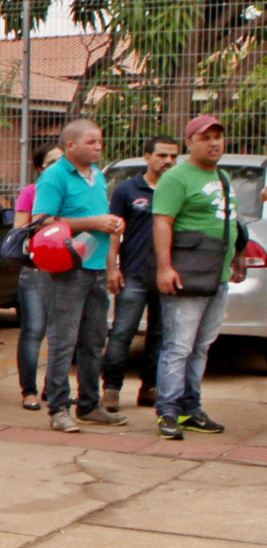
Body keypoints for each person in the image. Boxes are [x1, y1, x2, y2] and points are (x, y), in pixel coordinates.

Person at [150, 113, 247, 440]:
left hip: (215, 276)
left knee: (201, 346)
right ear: (189, 143)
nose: (214, 142)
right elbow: (162, 222)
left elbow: (230, 221)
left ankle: (192, 408)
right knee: (178, 346)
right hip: (186, 275)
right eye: (205, 137)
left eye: (217, 136)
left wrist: (237, 257)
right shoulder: (176, 178)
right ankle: (168, 411)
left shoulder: (222, 177)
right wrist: (165, 267)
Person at [32, 118, 125, 432]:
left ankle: (89, 404)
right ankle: (58, 407)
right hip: (68, 270)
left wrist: (110, 226)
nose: (98, 147)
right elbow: (42, 222)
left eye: (100, 141)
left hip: (97, 267)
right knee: (63, 340)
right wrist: (92, 222)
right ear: (70, 145)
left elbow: (98, 219)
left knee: (94, 340)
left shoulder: (97, 175)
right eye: (91, 142)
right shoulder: (55, 176)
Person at [100, 136, 180, 411]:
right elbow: (114, 231)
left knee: (160, 335)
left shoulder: (178, 189)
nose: (168, 161)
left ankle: (150, 388)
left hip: (167, 275)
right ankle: (110, 389)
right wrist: (112, 266)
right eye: (162, 155)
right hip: (133, 274)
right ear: (147, 156)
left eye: (173, 156)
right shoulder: (127, 190)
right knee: (122, 333)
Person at [12, 146, 62, 411]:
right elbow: (19, 229)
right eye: (52, 161)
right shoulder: (31, 193)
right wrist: (47, 222)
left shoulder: (71, 190)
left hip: (66, 270)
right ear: (40, 168)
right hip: (36, 269)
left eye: (62, 160)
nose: (59, 165)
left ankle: (53, 388)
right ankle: (29, 390)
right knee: (33, 330)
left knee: (61, 333)